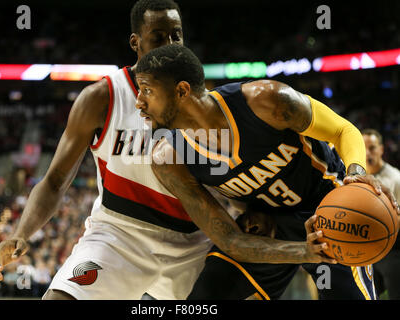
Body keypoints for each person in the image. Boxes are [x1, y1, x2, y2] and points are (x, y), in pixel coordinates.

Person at [134, 44, 400, 300]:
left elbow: (343, 130)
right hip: (268, 223)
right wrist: (304, 251)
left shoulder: (265, 101)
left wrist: (356, 175)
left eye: (147, 90)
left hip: (331, 207)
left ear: (181, 90)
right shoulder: (168, 157)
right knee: (207, 297)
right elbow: (229, 239)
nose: (138, 102)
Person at [0, 0, 214, 300]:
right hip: (119, 237)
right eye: (158, 37)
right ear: (136, 42)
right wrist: (21, 233)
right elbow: (55, 180)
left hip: (192, 244)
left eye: (176, 35)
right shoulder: (102, 98)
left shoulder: (203, 102)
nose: (170, 44)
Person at [362, 128, 400, 299]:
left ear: (381, 150)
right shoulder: (356, 177)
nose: (367, 152)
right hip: (364, 249)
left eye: (372, 147)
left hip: (392, 249)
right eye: (363, 147)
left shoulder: (396, 178)